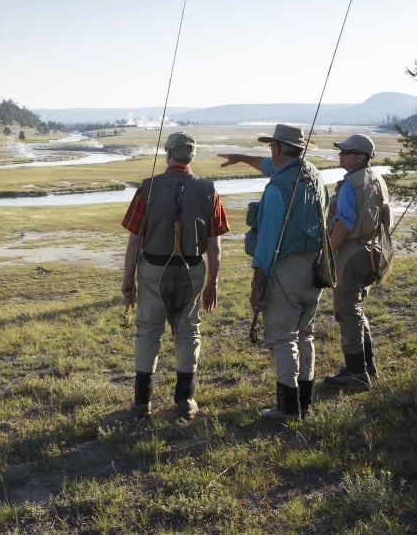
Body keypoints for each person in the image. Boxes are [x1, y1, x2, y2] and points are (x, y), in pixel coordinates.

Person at [218, 124, 328, 421]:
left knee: (282, 338)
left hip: (285, 270)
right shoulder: (314, 176)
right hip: (315, 268)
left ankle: (287, 407)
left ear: (278, 148)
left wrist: (257, 287)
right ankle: (305, 401)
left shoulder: (277, 190)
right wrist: (241, 157)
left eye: (272, 147)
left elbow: (266, 246)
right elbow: (269, 166)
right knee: (305, 334)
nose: (270, 152)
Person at [121, 131, 230, 420]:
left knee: (148, 331)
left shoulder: (147, 188)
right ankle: (185, 400)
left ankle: (142, 403)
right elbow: (214, 244)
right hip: (193, 269)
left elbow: (134, 241)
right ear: (191, 156)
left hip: (152, 271)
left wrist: (127, 281)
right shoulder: (209, 190)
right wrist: (212, 283)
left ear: (168, 154)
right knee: (188, 331)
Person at [323, 134, 391, 389]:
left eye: (346, 152)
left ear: (361, 157)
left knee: (346, 310)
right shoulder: (377, 180)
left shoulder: (351, 184)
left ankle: (356, 373)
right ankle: (366, 364)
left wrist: (327, 254)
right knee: (356, 308)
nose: (341, 155)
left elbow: (344, 223)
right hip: (375, 252)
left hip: (351, 254)